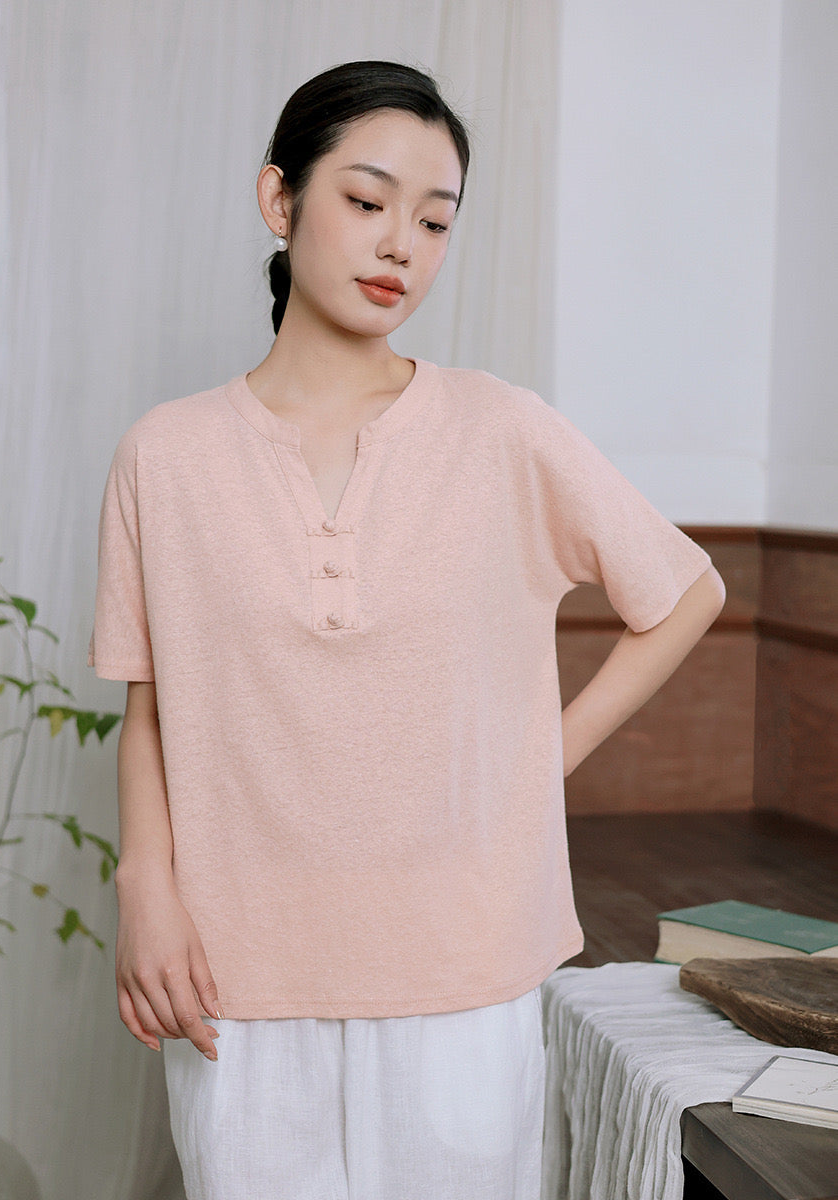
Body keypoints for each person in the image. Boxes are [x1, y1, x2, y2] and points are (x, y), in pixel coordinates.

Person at [89, 60, 725, 1200]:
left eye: (435, 222)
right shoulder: (165, 455)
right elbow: (153, 700)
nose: (401, 247)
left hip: (463, 966)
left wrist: (536, 761)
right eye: (367, 201)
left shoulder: (501, 430)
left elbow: (685, 592)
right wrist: (146, 885)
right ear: (280, 199)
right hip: (239, 973)